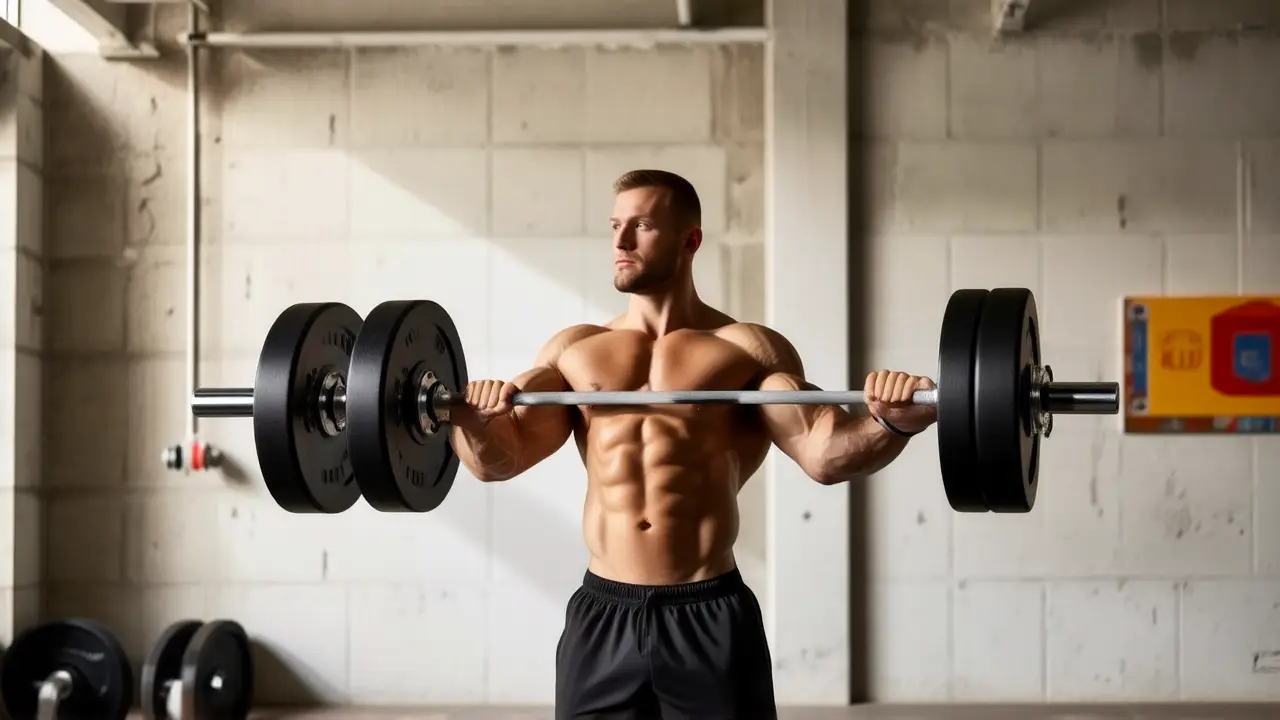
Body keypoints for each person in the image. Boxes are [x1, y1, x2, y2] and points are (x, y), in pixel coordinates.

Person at [449, 169, 937, 719]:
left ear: (690, 240)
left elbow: (824, 452)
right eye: (615, 225)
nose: (620, 242)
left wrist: (897, 421)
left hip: (707, 614)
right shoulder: (575, 351)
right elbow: (499, 460)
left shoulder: (746, 351)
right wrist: (468, 418)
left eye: (642, 226)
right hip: (603, 614)